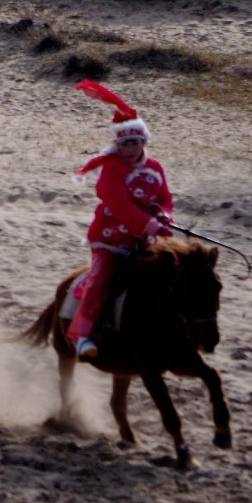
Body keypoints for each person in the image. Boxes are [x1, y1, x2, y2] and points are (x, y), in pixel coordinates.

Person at [67, 79, 174, 362]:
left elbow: (165, 196)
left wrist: (164, 215)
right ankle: (83, 336)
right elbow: (119, 204)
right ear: (118, 143)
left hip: (148, 238)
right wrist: (151, 225)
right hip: (110, 239)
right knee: (101, 278)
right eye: (124, 143)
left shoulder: (155, 167)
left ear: (143, 141)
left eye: (135, 142)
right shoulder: (112, 168)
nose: (129, 149)